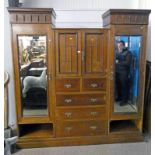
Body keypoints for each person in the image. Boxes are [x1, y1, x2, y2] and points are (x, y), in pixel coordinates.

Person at [115, 40, 132, 106]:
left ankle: (124, 100)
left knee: (124, 87)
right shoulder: (117, 52)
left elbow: (128, 63)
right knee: (118, 86)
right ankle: (119, 97)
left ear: (123, 45)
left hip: (124, 73)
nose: (119, 47)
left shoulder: (128, 53)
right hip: (117, 72)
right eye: (118, 45)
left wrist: (118, 62)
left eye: (120, 45)